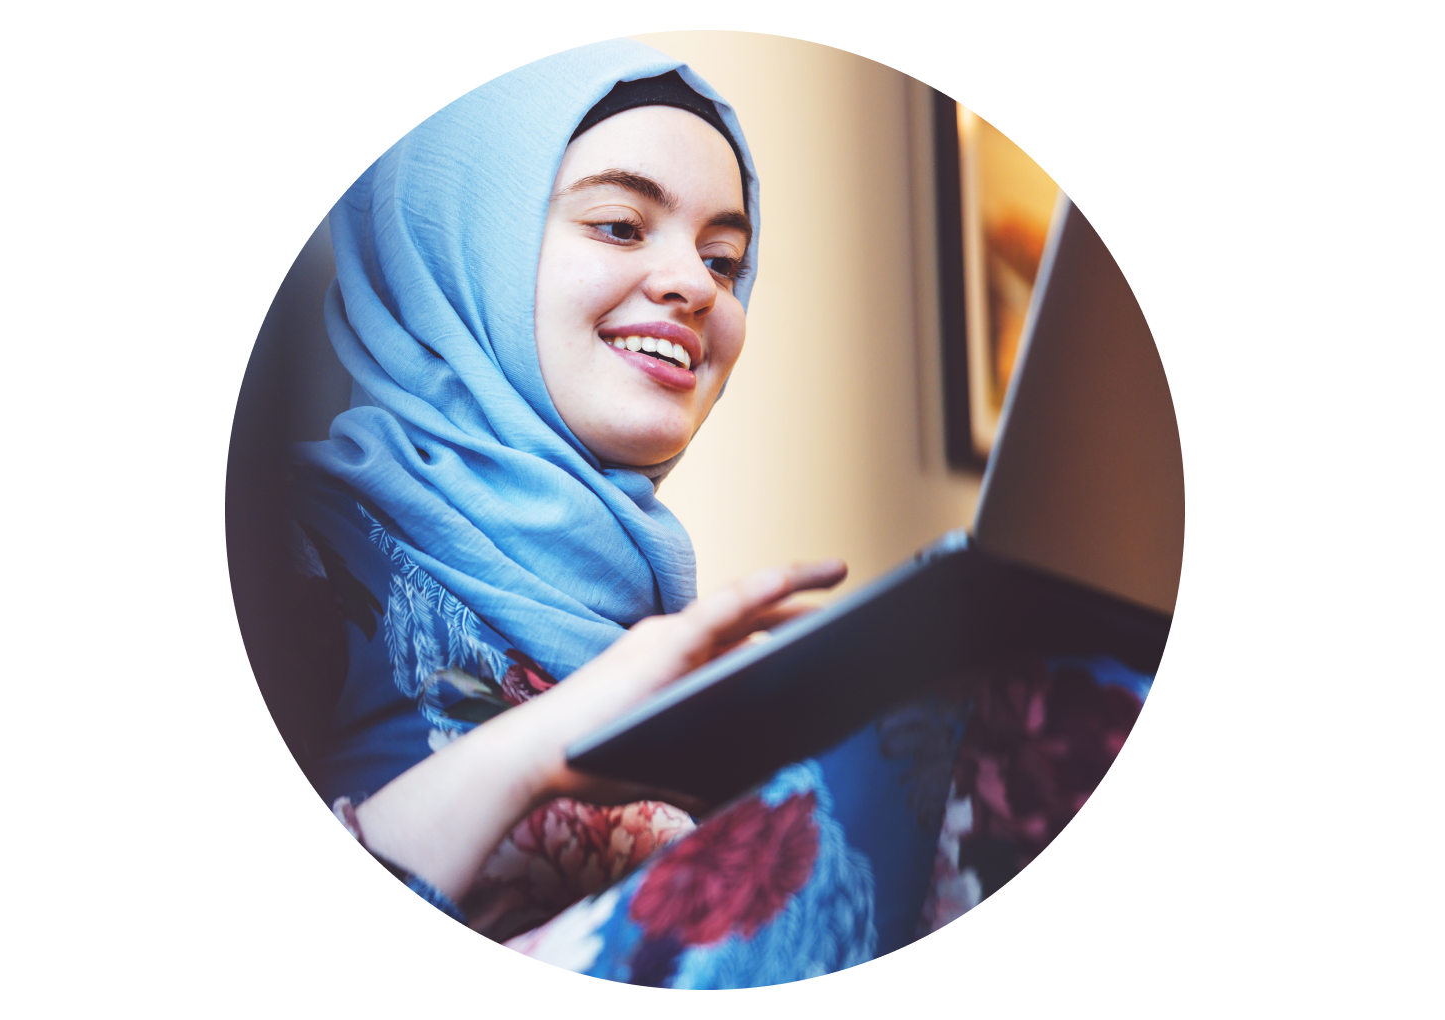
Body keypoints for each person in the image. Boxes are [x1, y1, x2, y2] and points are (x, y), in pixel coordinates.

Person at [258, 39, 1151, 987]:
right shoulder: (292, 543)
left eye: (725, 259)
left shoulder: (666, 641)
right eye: (617, 225)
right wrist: (531, 755)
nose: (694, 285)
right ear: (457, 241)